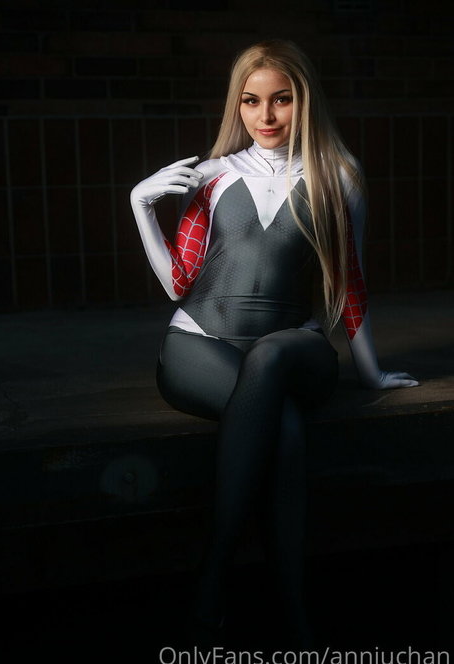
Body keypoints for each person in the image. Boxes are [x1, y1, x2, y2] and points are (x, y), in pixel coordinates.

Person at [130, 40, 418, 647]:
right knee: (283, 429)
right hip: (198, 344)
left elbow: (351, 281)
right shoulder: (212, 177)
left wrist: (370, 373)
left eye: (281, 99)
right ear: (236, 105)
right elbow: (178, 284)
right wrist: (140, 206)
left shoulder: (339, 177)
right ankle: (294, 614)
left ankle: (212, 583)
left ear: (304, 101)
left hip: (294, 345)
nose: (265, 115)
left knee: (271, 355)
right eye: (251, 100)